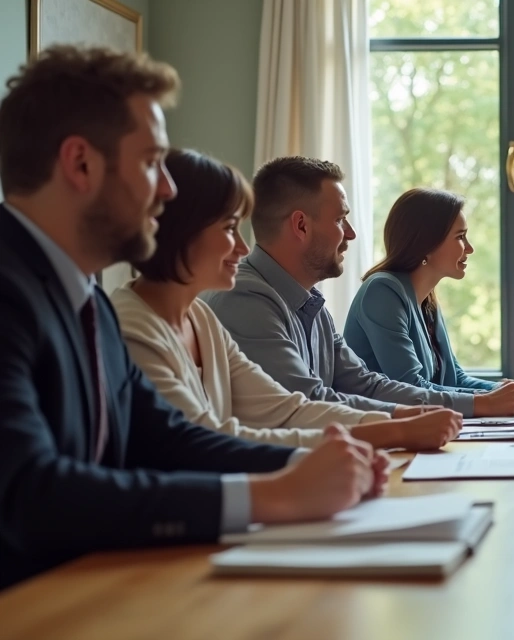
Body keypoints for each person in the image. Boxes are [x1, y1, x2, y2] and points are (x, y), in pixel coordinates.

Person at [0, 46, 389, 590]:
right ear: (80, 163)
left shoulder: (84, 297)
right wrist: (272, 495)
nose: (169, 188)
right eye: (151, 161)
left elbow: (171, 438)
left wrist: (305, 468)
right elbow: (29, 494)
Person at [113, 149, 461, 450]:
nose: (242, 246)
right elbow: (206, 443)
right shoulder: (140, 326)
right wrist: (393, 429)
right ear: (184, 233)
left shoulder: (202, 319)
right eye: (229, 228)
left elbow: (289, 408)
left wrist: (398, 423)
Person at [201, 157, 514, 418]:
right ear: (301, 225)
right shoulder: (246, 299)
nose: (351, 234)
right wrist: (434, 416)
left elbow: (366, 385)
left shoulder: (311, 304)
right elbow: (308, 404)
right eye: (341, 219)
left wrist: (479, 403)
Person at [344, 188, 514, 406]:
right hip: (380, 431)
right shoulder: (382, 292)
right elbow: (410, 387)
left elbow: (455, 378)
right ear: (426, 244)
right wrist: (488, 400)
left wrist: (507, 389)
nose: (469, 248)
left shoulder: (427, 301)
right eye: (460, 237)